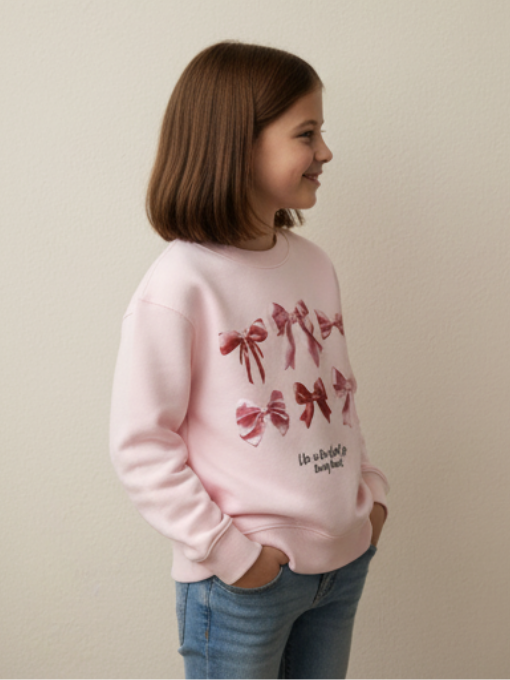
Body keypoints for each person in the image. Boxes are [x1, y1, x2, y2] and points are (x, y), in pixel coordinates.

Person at [109, 40, 390, 680]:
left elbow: (335, 394)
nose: (325, 152)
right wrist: (232, 555)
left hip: (343, 564)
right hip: (242, 589)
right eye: (306, 134)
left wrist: (370, 498)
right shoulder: (180, 284)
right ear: (237, 144)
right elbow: (141, 445)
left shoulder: (313, 265)